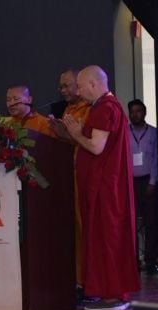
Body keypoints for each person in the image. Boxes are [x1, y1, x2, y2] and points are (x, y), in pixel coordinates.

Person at [63, 65, 140, 310]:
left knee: (107, 238)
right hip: (106, 186)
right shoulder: (106, 107)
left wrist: (75, 133)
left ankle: (111, 294)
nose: (78, 91)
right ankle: (108, 292)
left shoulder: (106, 108)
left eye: (81, 86)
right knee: (104, 237)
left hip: (106, 189)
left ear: (93, 84)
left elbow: (96, 147)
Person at [49, 69, 90, 295]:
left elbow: (85, 141)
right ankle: (75, 278)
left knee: (84, 226)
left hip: (83, 175)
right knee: (71, 228)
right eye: (60, 86)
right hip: (66, 175)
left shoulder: (91, 109)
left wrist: (65, 134)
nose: (62, 90)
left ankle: (88, 279)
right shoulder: (69, 110)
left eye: (66, 86)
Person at [128, 99, 158, 274]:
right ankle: (132, 262)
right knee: (130, 224)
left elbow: (156, 158)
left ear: (144, 112)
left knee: (151, 223)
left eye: (138, 111)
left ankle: (150, 261)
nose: (135, 115)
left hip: (148, 182)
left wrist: (152, 181)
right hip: (130, 181)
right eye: (132, 112)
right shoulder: (124, 132)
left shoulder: (153, 133)